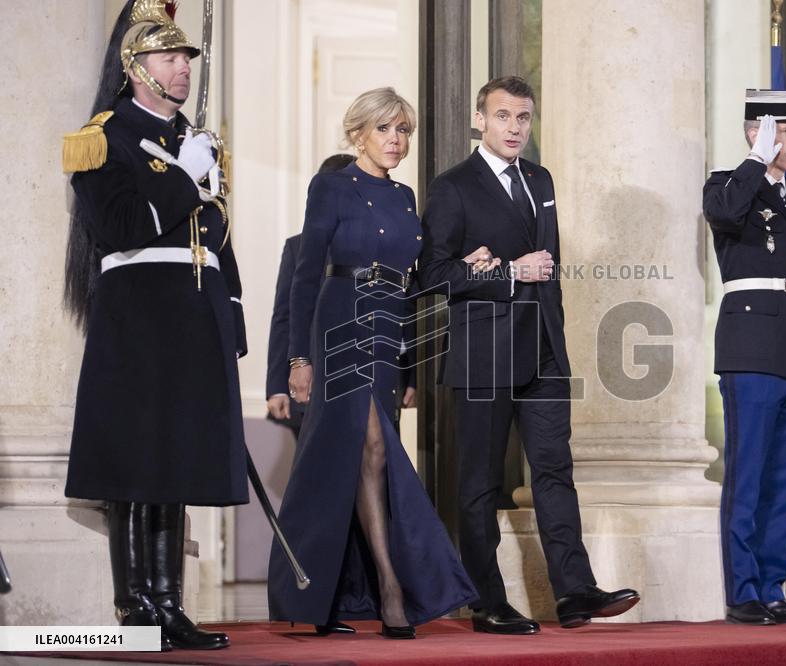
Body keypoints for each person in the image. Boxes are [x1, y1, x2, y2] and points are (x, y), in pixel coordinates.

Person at [419, 76, 639, 634]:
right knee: (479, 483)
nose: (514, 128)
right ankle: (486, 601)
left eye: (523, 118)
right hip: (484, 354)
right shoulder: (453, 187)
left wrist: (554, 335)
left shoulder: (540, 179)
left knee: (554, 472)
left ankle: (574, 592)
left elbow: (551, 269)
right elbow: (433, 274)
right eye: (503, 117)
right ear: (480, 119)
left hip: (542, 351)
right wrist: (506, 274)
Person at [62, 0, 246, 651]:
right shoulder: (101, 136)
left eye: (186, 57)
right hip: (137, 314)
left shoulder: (191, 140)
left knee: (178, 462)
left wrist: (234, 320)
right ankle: (134, 607)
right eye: (170, 57)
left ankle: (169, 602)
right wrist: (184, 178)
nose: (182, 67)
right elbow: (119, 227)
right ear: (137, 67)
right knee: (136, 465)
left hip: (194, 314)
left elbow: (217, 238)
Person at [267, 88, 481, 639]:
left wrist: (409, 362)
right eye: (385, 129)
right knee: (374, 447)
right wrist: (298, 360)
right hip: (338, 324)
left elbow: (415, 283)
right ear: (358, 133)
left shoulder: (407, 197)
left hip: (387, 333)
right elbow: (305, 274)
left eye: (403, 131)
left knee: (359, 461)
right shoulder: (331, 186)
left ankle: (333, 593)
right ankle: (390, 585)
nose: (396, 140)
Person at [702, 89, 786, 625]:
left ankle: (774, 587)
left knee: (783, 481)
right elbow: (727, 213)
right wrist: (757, 157)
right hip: (752, 351)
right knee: (748, 473)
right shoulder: (727, 185)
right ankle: (744, 591)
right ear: (760, 132)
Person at [265, 154, 357, 437]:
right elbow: (284, 316)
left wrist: (410, 379)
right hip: (310, 383)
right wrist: (277, 386)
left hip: (365, 379)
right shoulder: (298, 247)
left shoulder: (377, 242)